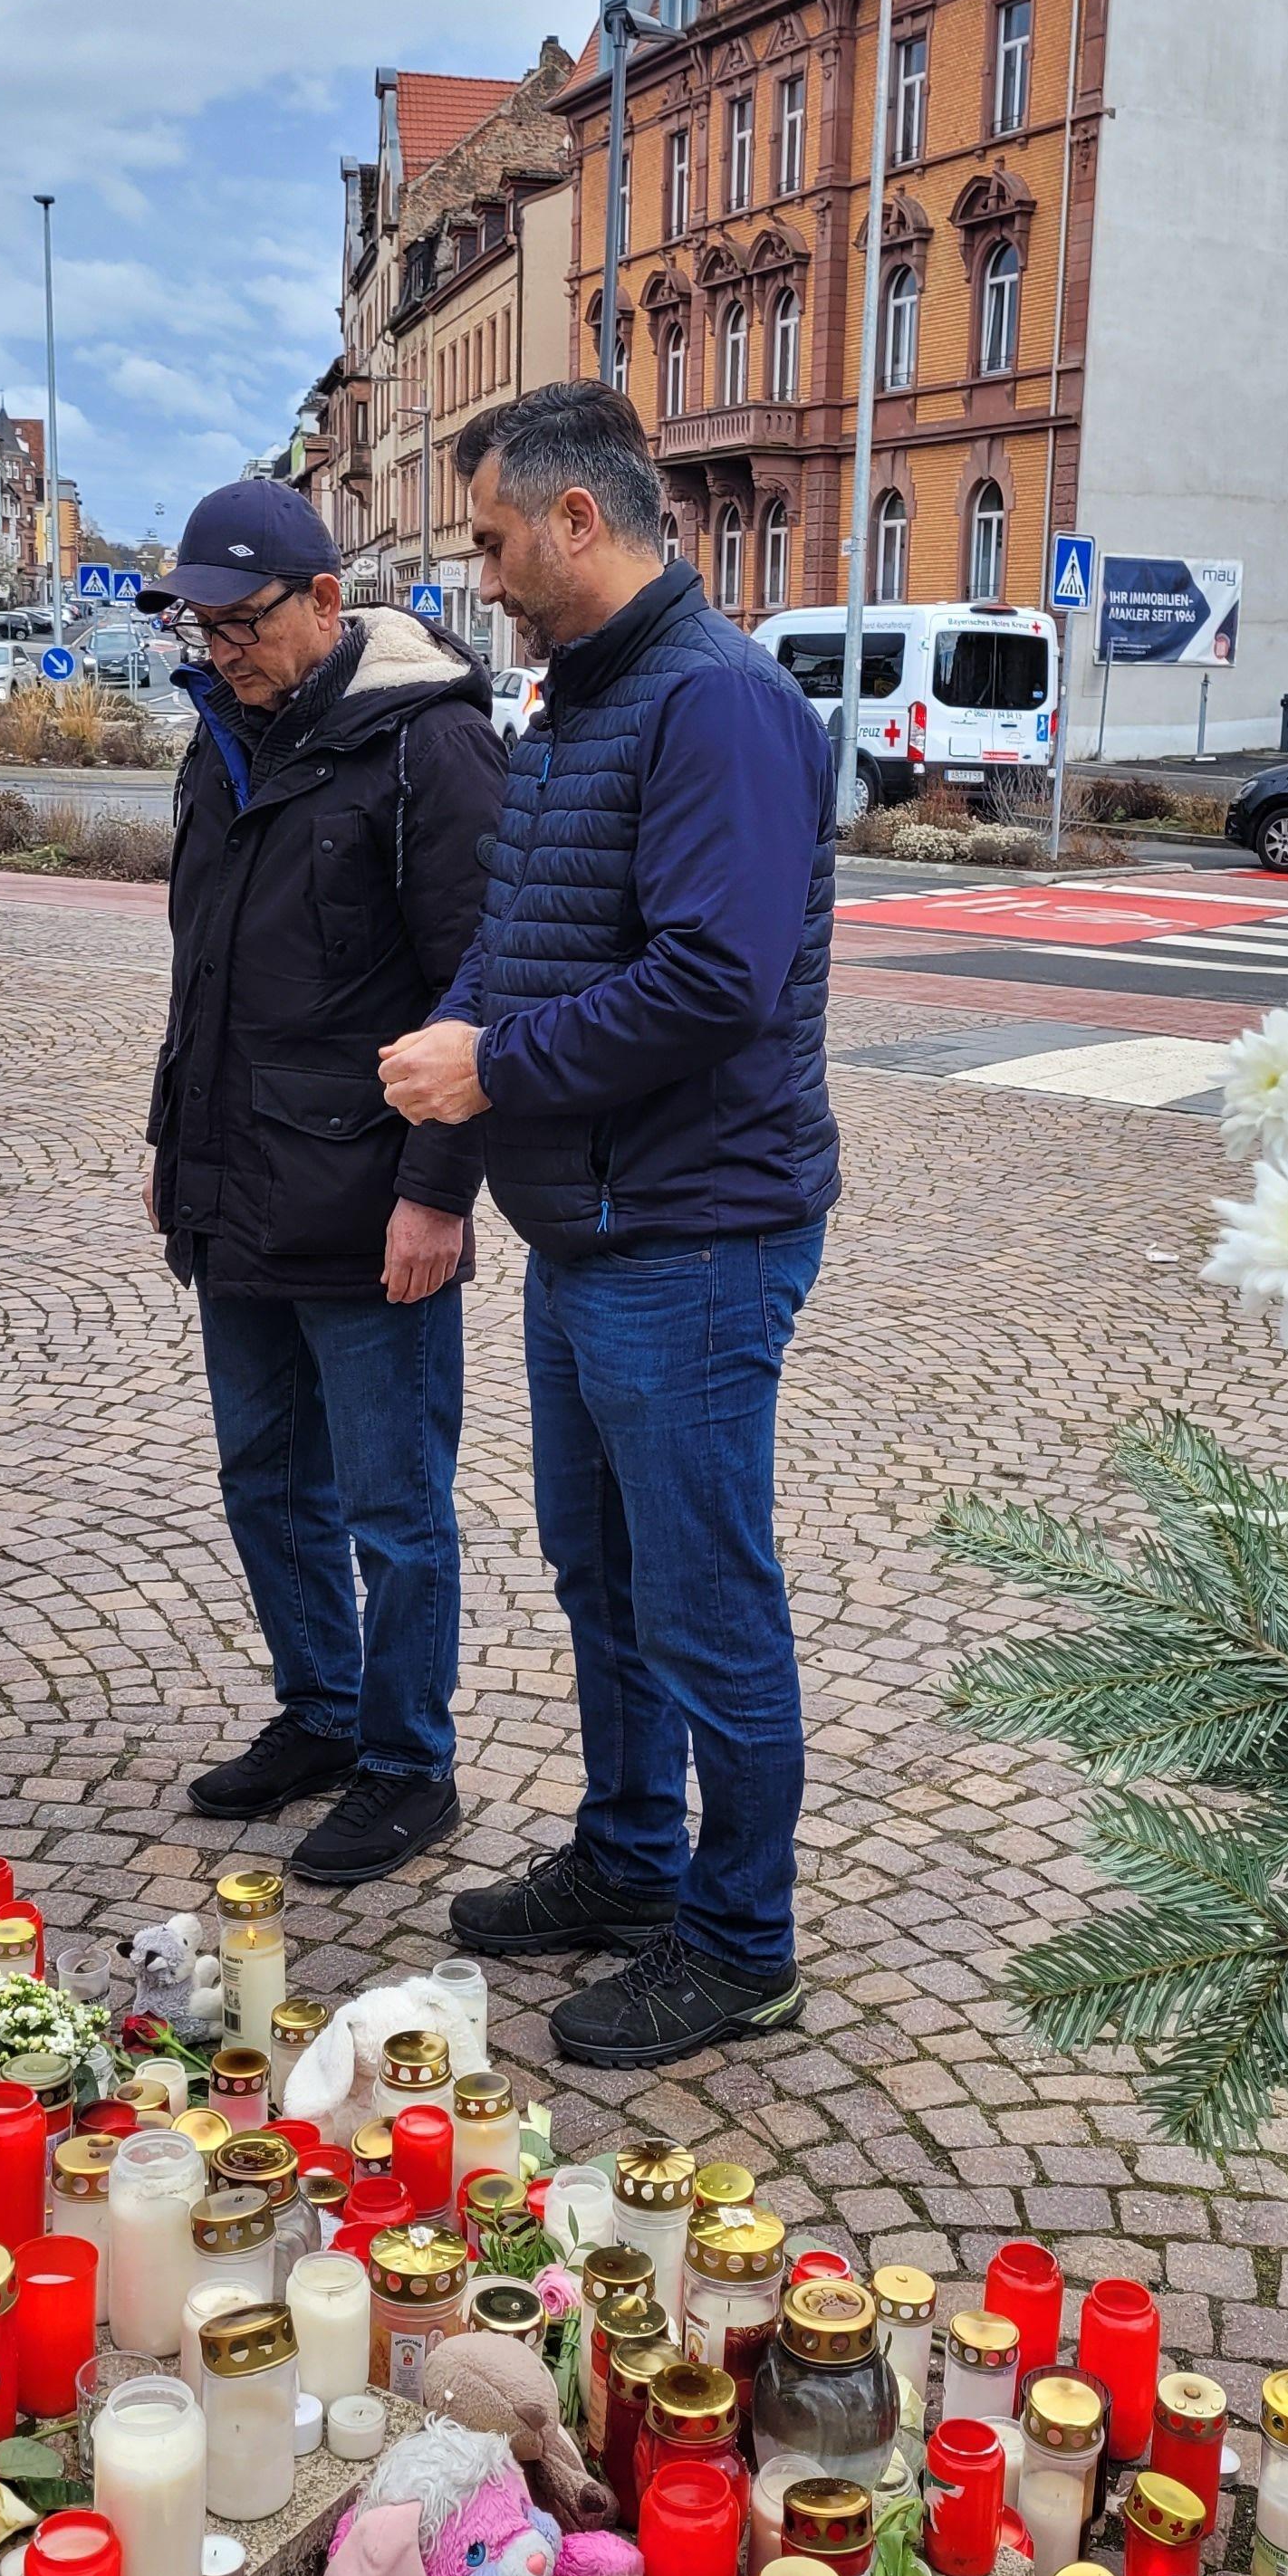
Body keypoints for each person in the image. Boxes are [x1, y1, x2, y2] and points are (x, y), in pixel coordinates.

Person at [377, 381, 838, 2066]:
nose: (482, 574)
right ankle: (637, 1860)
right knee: (602, 1576)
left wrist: (492, 1066)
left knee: (705, 1596)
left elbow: (718, 980)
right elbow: (522, 934)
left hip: (696, 1234)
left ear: (581, 520)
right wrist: (454, 1104)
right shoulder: (582, 700)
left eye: (495, 539)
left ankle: (741, 1939)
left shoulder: (718, 707)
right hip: (594, 1226)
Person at [144, 480, 508, 1885]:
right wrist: (182, 1148)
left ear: (321, 601)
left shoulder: (432, 748)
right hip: (237, 1181)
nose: (219, 646)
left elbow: (481, 992)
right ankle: (322, 1710)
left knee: (393, 1508)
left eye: (241, 621)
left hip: (369, 1199)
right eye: (200, 622)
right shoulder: (222, 737)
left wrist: (438, 1194)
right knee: (263, 1479)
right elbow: (206, 975)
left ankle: (410, 1766)